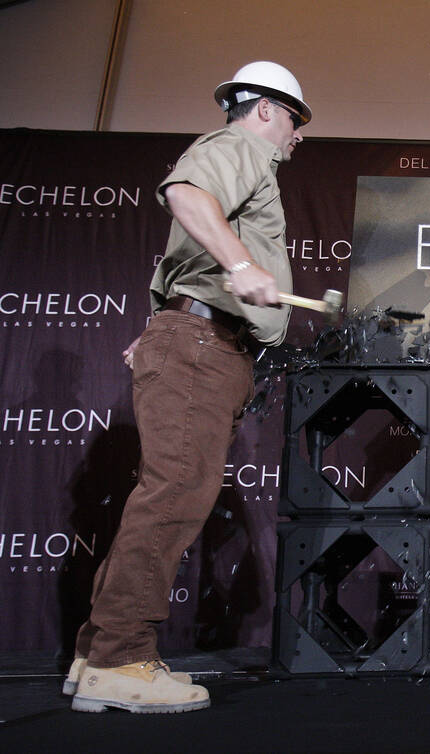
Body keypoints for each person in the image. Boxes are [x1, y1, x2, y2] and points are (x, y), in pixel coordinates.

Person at [67, 61, 311, 713]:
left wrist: (164, 327)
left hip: (199, 342)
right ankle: (120, 659)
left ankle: (97, 654)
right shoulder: (240, 147)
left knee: (165, 492)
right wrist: (241, 265)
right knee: (174, 492)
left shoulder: (247, 159)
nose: (297, 135)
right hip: (203, 346)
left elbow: (186, 261)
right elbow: (186, 196)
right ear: (264, 110)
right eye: (294, 119)